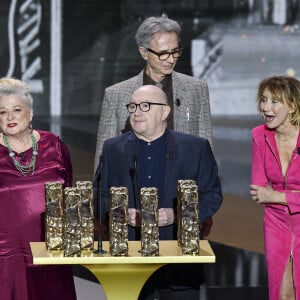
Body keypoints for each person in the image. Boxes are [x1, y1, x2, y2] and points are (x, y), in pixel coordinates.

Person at [95, 85, 223, 300]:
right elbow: (99, 197)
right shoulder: (113, 148)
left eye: (145, 106)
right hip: (130, 257)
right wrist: (121, 214)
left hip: (180, 260)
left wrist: (177, 214)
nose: (136, 112)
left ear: (165, 112)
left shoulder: (196, 147)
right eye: (133, 106)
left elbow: (212, 196)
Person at [94, 15, 213, 172]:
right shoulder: (116, 94)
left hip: (182, 185)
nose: (171, 59)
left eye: (175, 51)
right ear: (144, 52)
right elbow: (104, 155)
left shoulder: (196, 89)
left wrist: (208, 190)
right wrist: (100, 194)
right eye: (163, 53)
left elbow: (206, 145)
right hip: (134, 183)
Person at [0, 78, 77, 300]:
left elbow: (69, 193)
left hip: (50, 252)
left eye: (16, 109)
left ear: (30, 113)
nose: (10, 117)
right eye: (3, 112)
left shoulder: (54, 145)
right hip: (6, 258)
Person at [250, 76, 300, 300]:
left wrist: (278, 195)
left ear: (292, 106)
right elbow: (259, 191)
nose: (266, 108)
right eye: (263, 100)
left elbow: (269, 194)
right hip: (276, 222)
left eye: (275, 101)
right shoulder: (259, 135)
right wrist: (289, 197)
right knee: (283, 292)